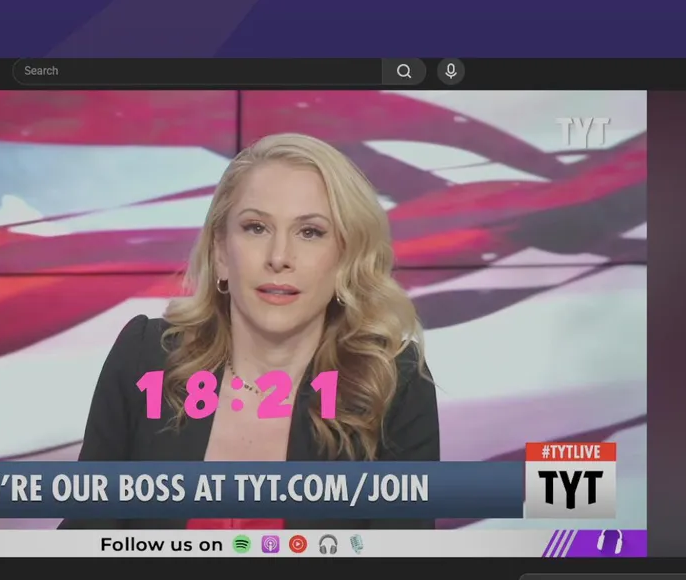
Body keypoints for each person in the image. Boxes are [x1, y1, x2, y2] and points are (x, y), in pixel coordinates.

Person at [60, 133, 439, 531]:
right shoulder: (146, 358)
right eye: (256, 227)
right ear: (221, 252)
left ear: (346, 258)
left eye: (310, 232)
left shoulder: (391, 383)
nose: (279, 257)